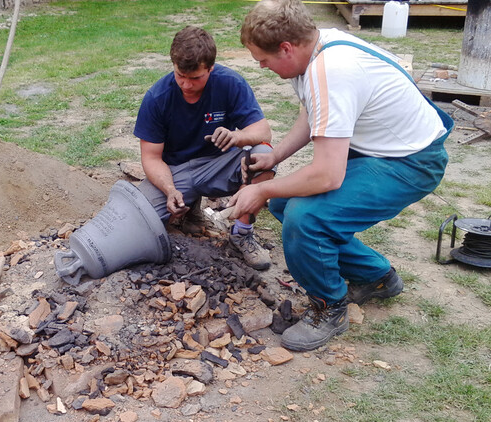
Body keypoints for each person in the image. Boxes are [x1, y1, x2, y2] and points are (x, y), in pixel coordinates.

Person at [231, 0, 453, 350]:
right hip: (379, 149)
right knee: (285, 203)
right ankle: (376, 277)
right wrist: (275, 155)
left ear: (286, 48)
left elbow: (327, 177)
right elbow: (312, 111)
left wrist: (262, 190)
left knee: (306, 218)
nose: (263, 66)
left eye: (264, 59)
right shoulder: (314, 50)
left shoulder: (331, 71)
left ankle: (329, 307)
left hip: (411, 161)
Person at [134, 25, 276, 270]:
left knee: (263, 154)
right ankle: (188, 209)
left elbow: (263, 132)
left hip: (218, 165)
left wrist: (236, 136)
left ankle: (242, 234)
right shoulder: (157, 97)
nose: (187, 85)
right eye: (181, 76)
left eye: (195, 78)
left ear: (210, 68)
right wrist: (169, 189)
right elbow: (151, 157)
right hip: (177, 172)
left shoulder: (230, 83)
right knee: (140, 224)